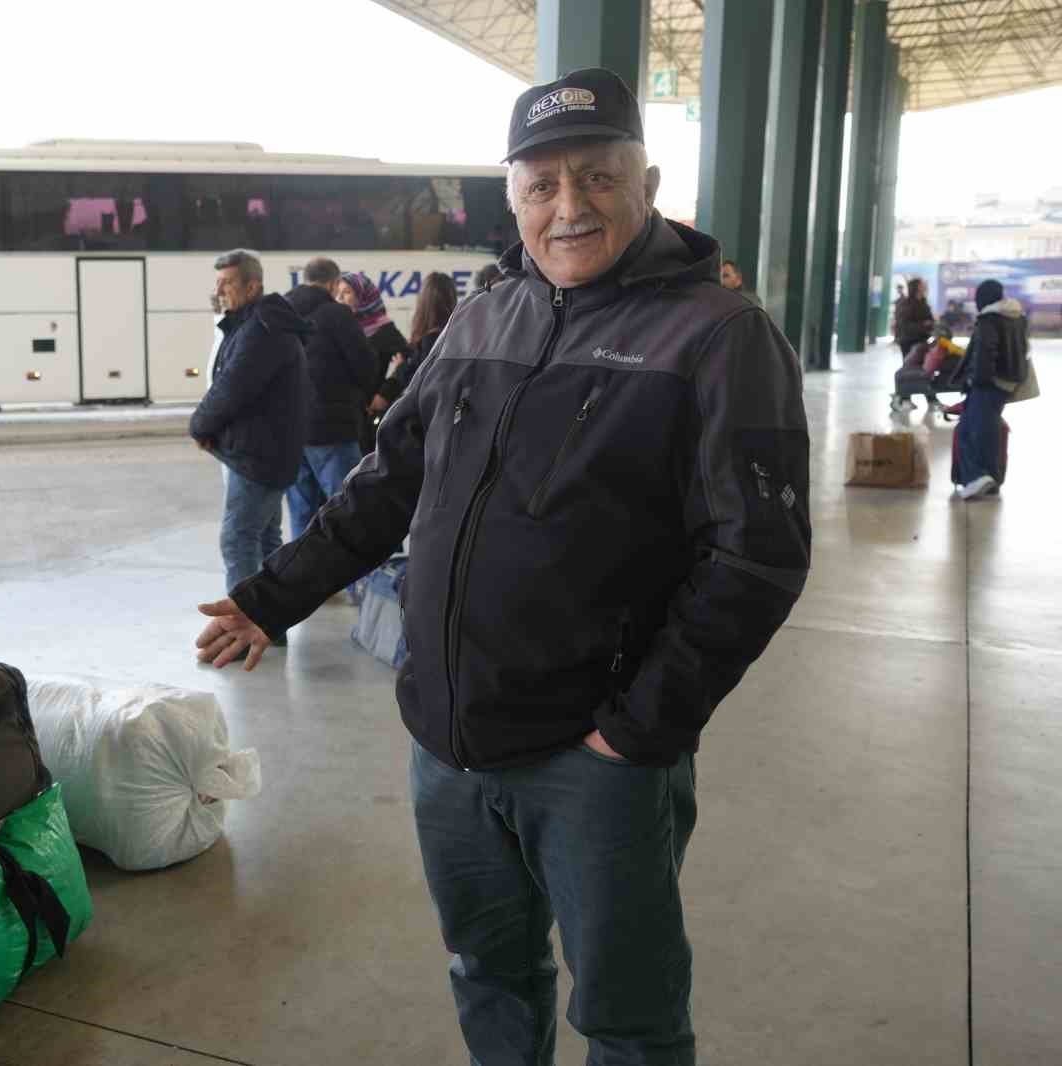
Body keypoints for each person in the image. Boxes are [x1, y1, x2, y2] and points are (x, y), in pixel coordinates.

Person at [193, 67, 809, 1065]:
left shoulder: (718, 335)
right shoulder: (484, 317)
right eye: (543, 185)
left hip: (591, 758)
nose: (570, 208)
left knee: (627, 1015)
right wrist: (272, 597)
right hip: (446, 738)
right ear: (513, 197)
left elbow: (759, 556)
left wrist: (637, 730)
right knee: (486, 972)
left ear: (646, 183)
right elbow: (385, 484)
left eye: (599, 178)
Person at [189, 249, 312, 608]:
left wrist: (199, 425)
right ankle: (271, 621)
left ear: (253, 285)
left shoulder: (262, 330)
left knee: (238, 538)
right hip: (261, 450)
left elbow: (232, 387)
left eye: (227, 282)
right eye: (218, 281)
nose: (220, 288)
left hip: (257, 456)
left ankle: (245, 626)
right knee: (265, 538)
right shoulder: (250, 323)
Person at [282, 257, 383, 542]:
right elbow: (364, 365)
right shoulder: (336, 314)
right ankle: (354, 582)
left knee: (301, 511)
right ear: (332, 282)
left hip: (289, 427)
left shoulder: (281, 310)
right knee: (347, 507)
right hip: (331, 426)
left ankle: (305, 583)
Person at [953, 279, 1030, 500]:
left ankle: (976, 477)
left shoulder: (989, 319)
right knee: (989, 429)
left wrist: (977, 380)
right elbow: (1024, 349)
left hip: (989, 383)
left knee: (970, 430)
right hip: (1008, 382)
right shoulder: (1016, 317)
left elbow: (986, 353)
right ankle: (991, 478)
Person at [334, 270, 412, 454]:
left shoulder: (383, 330)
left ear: (363, 296)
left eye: (346, 292)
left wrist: (386, 392)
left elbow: (410, 360)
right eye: (338, 293)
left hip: (368, 416)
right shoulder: (340, 325)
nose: (340, 298)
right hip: (340, 414)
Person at [401, 272, 459, 391]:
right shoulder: (455, 334)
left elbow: (420, 383)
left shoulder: (431, 339)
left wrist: (401, 368)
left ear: (424, 302)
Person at [890, 323, 963, 415]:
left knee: (902, 374)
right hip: (929, 371)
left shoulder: (940, 346)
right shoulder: (940, 346)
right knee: (903, 373)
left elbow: (930, 366)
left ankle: (903, 398)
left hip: (928, 372)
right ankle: (906, 398)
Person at [892, 277, 934, 361]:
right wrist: (923, 324)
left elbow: (929, 319)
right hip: (909, 340)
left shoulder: (924, 303)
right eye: (922, 284)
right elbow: (904, 323)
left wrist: (930, 323)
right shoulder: (906, 303)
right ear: (917, 287)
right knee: (909, 364)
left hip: (922, 339)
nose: (925, 286)